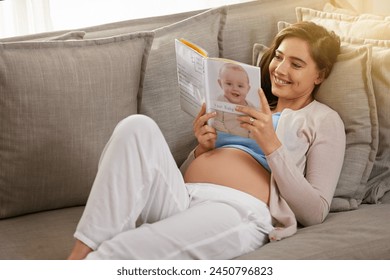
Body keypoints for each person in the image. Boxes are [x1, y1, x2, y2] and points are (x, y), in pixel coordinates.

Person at [68, 21, 345, 260]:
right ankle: (81, 251)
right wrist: (202, 148)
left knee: (125, 253)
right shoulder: (244, 102)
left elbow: (316, 211)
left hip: (237, 209)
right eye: (279, 57)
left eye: (296, 64)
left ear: (320, 74)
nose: (280, 69)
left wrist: (272, 145)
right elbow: (185, 170)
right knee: (136, 126)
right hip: (182, 195)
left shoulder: (323, 120)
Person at [213, 63, 256, 137]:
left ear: (248, 89)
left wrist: (251, 136)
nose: (235, 88)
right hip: (226, 139)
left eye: (240, 86)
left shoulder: (250, 106)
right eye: (229, 84)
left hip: (247, 141)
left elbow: (255, 124)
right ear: (220, 83)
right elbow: (217, 122)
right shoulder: (220, 101)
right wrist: (227, 137)